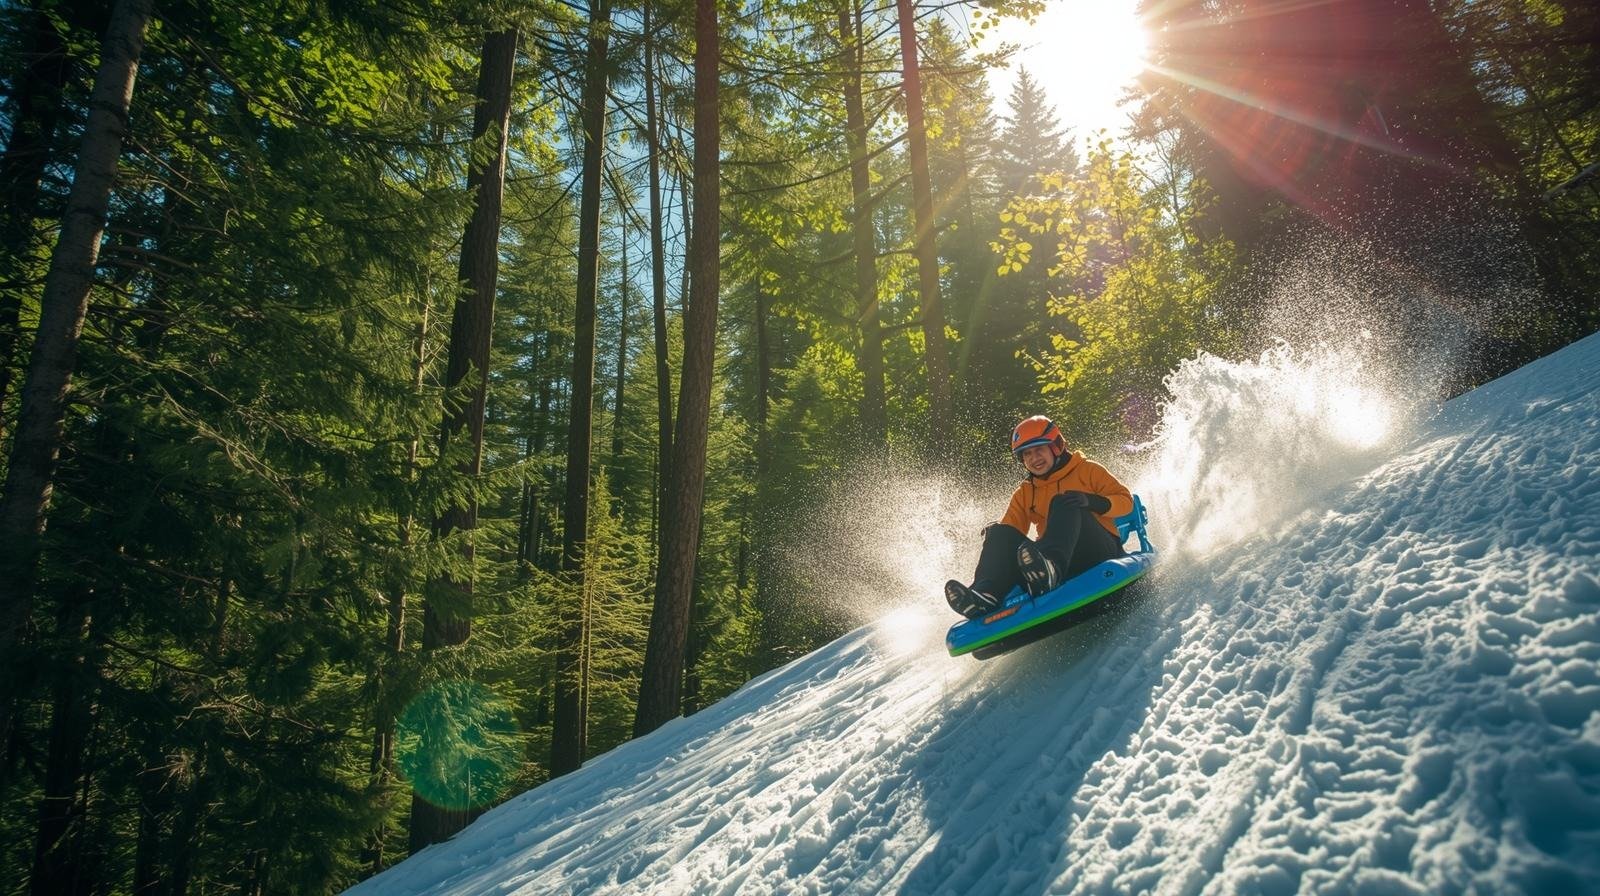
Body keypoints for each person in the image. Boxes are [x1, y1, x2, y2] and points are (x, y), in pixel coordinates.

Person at [945, 415, 1134, 619]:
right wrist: (997, 539)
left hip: (1098, 552)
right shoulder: (1026, 492)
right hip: (1044, 572)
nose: (1034, 458)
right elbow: (1011, 532)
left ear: (1056, 446)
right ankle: (984, 595)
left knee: (1064, 501)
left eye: (1039, 450)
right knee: (999, 531)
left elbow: (1126, 502)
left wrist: (1092, 501)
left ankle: (1052, 567)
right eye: (1027, 454)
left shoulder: (1088, 470)